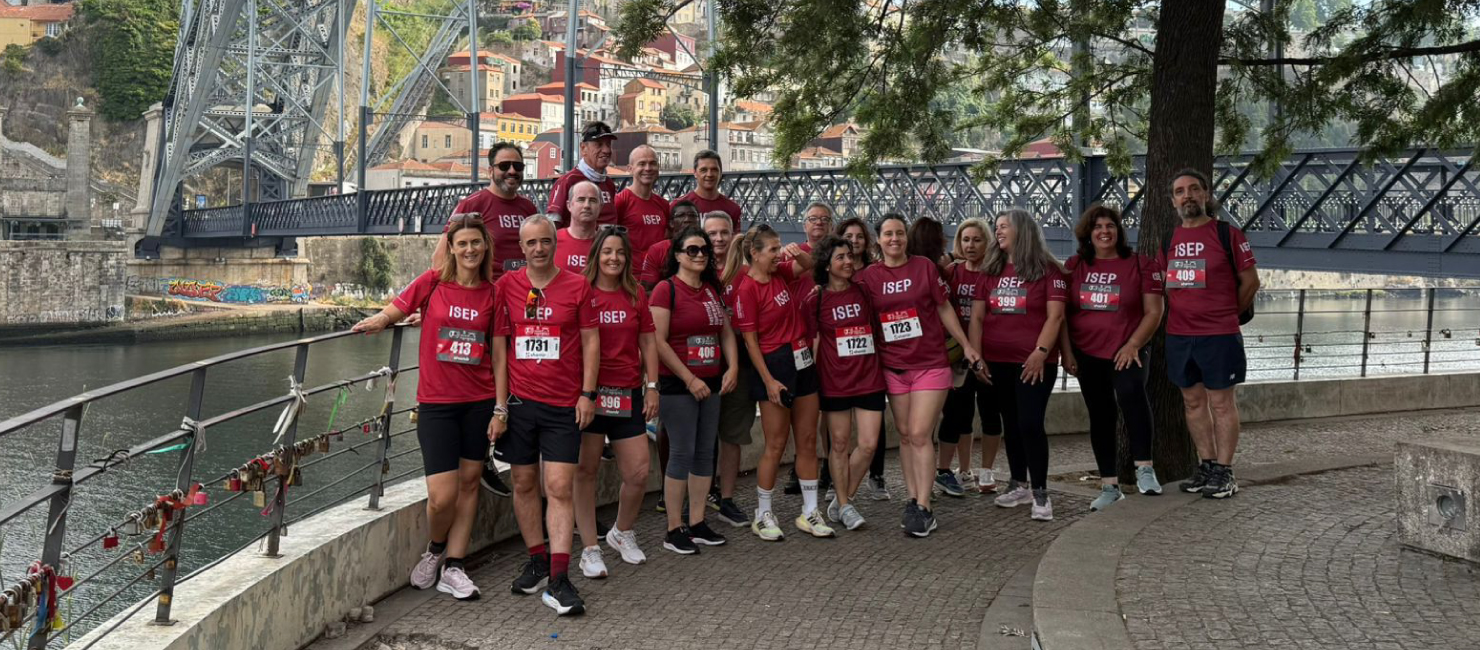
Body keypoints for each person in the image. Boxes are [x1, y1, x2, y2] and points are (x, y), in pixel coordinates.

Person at [352, 214, 497, 601]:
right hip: (436, 404)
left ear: (485, 247)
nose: (469, 250)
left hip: (479, 401)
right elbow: (397, 308)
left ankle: (455, 565)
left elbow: (499, 353)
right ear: (451, 247)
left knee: (469, 485)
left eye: (475, 243)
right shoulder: (432, 283)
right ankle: (435, 549)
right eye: (461, 243)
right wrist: (378, 321)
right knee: (441, 496)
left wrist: (501, 407)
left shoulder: (493, 293)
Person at [489, 215, 600, 616]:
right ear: (521, 247)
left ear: (556, 243)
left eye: (545, 242)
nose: (539, 248)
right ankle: (537, 558)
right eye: (531, 243)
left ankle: (559, 578)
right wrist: (501, 407)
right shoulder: (507, 286)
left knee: (558, 486)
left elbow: (591, 343)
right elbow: (499, 349)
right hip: (519, 404)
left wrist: (588, 394)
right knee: (522, 483)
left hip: (563, 404)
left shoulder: (577, 285)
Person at [855, 214, 983, 537]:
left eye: (899, 233)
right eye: (888, 234)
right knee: (906, 435)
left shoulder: (924, 268)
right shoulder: (869, 277)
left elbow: (943, 308)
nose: (895, 239)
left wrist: (966, 345)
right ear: (879, 240)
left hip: (929, 363)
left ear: (906, 238)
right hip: (893, 365)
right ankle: (912, 498)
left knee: (920, 432)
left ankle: (925, 507)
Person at [1160, 169, 1258, 499]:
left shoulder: (1227, 234)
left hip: (1219, 335)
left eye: (1193, 189)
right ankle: (1206, 465)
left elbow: (1251, 282)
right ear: (1173, 200)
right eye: (1179, 191)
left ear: (1205, 194)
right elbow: (1169, 287)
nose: (1186, 195)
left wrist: (1227, 314)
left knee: (1221, 403)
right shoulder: (1168, 239)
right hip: (1179, 335)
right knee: (1192, 402)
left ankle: (1225, 471)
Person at [1060, 205, 1166, 511]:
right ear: (1088, 234)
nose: (1104, 231)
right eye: (1097, 227)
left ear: (1118, 231)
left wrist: (1133, 344)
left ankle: (1144, 468)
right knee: (1100, 415)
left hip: (1128, 349)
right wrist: (1067, 353)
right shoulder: (1075, 265)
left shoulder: (1140, 264)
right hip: (1087, 352)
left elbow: (1154, 311)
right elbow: (1062, 315)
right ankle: (1110, 486)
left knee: (1132, 393)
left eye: (1110, 225)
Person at [731, 224, 831, 540]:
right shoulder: (746, 288)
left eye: (779, 248)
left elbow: (810, 265)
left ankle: (810, 511)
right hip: (774, 364)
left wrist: (795, 252)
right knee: (775, 443)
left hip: (801, 359)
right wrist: (770, 381)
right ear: (754, 253)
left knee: (807, 439)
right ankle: (763, 513)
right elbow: (750, 342)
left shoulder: (781, 275)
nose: (778, 254)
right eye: (773, 249)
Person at [968, 209, 1068, 522]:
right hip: (997, 361)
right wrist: (976, 356)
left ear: (1021, 230)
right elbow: (978, 317)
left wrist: (1041, 351)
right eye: (996, 227)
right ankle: (1018, 483)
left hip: (1034, 362)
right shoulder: (990, 270)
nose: (997, 232)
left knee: (1029, 423)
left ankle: (1040, 492)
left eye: (1003, 227)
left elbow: (1056, 316)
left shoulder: (1048, 270)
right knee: (1011, 423)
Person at [573, 225, 659, 576]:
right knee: (586, 471)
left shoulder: (635, 293)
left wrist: (652, 386)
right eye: (607, 251)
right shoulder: (582, 291)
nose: (614, 258)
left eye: (620, 252)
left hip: (626, 395)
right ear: (596, 255)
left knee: (638, 471)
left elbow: (649, 342)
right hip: (590, 397)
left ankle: (621, 532)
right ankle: (590, 548)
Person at [650, 226, 741, 553]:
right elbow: (657, 341)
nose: (701, 254)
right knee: (682, 452)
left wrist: (733, 366)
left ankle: (698, 521)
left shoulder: (710, 291)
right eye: (692, 250)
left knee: (705, 452)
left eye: (704, 249)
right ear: (677, 255)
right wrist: (688, 378)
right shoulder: (665, 290)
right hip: (679, 387)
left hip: (713, 384)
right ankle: (674, 529)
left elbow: (726, 332)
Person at [801, 235, 885, 531]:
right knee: (838, 444)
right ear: (826, 265)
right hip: (835, 381)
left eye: (850, 256)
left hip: (869, 377)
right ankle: (846, 505)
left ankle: (841, 499)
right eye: (841, 257)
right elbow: (810, 341)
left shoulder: (864, 291)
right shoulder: (816, 298)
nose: (849, 261)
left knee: (868, 444)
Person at [936, 218, 1004, 495]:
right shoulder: (952, 272)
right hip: (957, 356)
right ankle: (955, 471)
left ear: (987, 243)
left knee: (990, 413)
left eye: (977, 240)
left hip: (989, 354)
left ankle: (986, 470)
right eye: (965, 239)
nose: (971, 245)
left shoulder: (994, 274)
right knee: (957, 414)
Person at [781, 202, 836, 498]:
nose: (818, 223)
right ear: (804, 224)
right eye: (813, 219)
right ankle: (801, 464)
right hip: (798, 339)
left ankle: (828, 464)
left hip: (827, 339)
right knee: (802, 412)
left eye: (824, 219)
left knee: (829, 408)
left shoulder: (836, 255)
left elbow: (819, 265)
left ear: (831, 225)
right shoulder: (791, 251)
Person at [835, 217, 891, 502]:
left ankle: (875, 476)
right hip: (840, 370)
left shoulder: (873, 274)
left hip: (871, 362)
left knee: (872, 431)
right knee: (838, 437)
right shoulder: (828, 280)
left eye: (859, 237)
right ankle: (837, 484)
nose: (854, 241)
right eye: (849, 236)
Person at [704, 211, 752, 527]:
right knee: (700, 435)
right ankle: (701, 494)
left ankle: (729, 498)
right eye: (712, 234)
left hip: (740, 363)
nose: (719, 239)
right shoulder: (693, 269)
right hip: (703, 362)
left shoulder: (746, 273)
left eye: (724, 232)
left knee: (732, 434)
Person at [438, 142, 538, 282]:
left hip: (522, 291)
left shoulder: (529, 208)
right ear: (490, 171)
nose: (512, 171)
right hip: (487, 291)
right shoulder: (472, 204)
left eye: (518, 166)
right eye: (504, 166)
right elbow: (441, 256)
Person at [547, 122, 619, 225]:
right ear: (583, 148)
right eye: (599, 144)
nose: (606, 150)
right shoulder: (568, 181)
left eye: (608, 144)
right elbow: (552, 226)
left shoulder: (609, 184)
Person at [615, 145, 670, 256]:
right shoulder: (621, 201)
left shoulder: (663, 204)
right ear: (630, 169)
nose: (648, 168)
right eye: (642, 164)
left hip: (658, 271)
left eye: (653, 163)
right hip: (632, 272)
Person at [639, 201, 701, 288]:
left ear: (699, 222)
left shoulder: (706, 248)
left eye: (692, 215)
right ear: (671, 223)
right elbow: (646, 290)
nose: (687, 219)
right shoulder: (657, 250)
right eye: (681, 215)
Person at [678, 150, 743, 233]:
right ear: (695, 173)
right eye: (704, 170)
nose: (709, 174)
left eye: (714, 170)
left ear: (720, 173)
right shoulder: (678, 206)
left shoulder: (733, 208)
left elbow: (735, 243)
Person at [555, 181, 602, 273]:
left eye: (593, 200)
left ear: (600, 207)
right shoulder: (553, 241)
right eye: (581, 200)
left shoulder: (606, 243)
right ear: (569, 205)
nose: (587, 206)